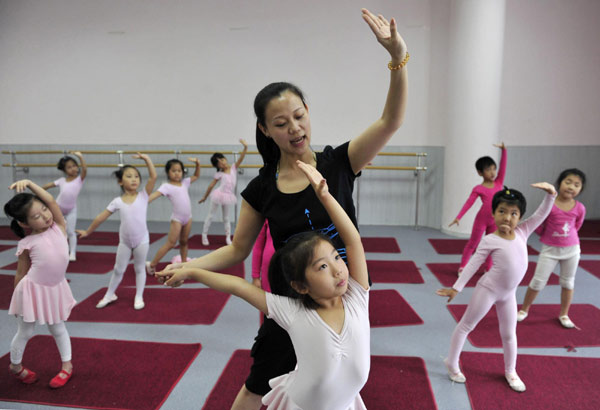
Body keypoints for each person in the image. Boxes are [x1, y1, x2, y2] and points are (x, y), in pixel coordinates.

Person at [159, 8, 407, 408]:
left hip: (345, 294)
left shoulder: (340, 163)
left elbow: (392, 120)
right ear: (265, 130)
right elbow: (238, 249)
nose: (293, 128)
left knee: (337, 384)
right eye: (280, 122)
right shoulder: (262, 187)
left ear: (308, 112)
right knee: (259, 383)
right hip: (294, 303)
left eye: (298, 115)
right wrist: (191, 267)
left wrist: (398, 58)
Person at [158, 161, 370, 409]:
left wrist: (325, 196)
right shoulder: (293, 312)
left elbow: (352, 240)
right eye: (322, 267)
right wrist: (192, 270)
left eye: (336, 257)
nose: (337, 269)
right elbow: (238, 286)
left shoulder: (357, 296)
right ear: (301, 286)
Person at [437, 183, 557, 392]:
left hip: (508, 295)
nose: (507, 217)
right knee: (466, 326)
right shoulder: (489, 240)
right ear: (493, 214)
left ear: (519, 217)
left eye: (513, 213)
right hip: (488, 291)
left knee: (509, 334)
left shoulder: (523, 231)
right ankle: (452, 362)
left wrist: (551, 195)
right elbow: (474, 263)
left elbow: (541, 214)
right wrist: (456, 288)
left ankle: (511, 371)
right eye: (501, 211)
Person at [4, 179, 77, 388]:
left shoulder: (59, 226)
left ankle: (67, 366)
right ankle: (16, 367)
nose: (45, 216)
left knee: (58, 328)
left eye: (44, 210)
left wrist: (30, 184)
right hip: (31, 291)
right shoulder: (26, 244)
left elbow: (51, 200)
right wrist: (17, 302)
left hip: (55, 289)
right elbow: (21, 273)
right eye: (37, 216)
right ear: (24, 224)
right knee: (25, 332)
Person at [77, 154, 156, 310]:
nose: (134, 179)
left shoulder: (143, 196)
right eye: (129, 176)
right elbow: (100, 217)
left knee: (139, 268)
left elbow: (153, 176)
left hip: (142, 240)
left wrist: (146, 159)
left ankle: (139, 296)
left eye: (136, 176)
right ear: (120, 181)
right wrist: (88, 231)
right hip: (125, 241)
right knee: (118, 269)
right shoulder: (117, 201)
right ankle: (109, 294)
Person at [517, 169, 587, 328]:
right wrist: (547, 235)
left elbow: (577, 225)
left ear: (580, 190)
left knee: (568, 283)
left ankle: (564, 314)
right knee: (537, 283)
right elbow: (538, 223)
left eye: (576, 185)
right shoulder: (550, 204)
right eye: (567, 182)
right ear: (559, 183)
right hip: (550, 250)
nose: (571, 187)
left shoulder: (580, 208)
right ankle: (524, 310)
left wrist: (567, 238)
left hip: (572, 250)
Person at [449, 143, 507, 275]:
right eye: (488, 169)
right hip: (482, 220)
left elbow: (503, 167)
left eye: (494, 168)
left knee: (490, 245)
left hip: (494, 221)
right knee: (473, 244)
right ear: (480, 172)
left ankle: (488, 268)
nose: (492, 172)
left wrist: (504, 151)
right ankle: (463, 266)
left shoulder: (499, 183)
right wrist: (458, 217)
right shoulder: (478, 189)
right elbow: (468, 203)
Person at [146, 158, 200, 273]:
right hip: (177, 219)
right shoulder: (166, 186)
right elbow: (154, 195)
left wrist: (197, 164)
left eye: (179, 171)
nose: (177, 173)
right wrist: (141, 202)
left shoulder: (185, 183)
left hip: (188, 218)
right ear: (168, 172)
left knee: (184, 242)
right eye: (173, 171)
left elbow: (196, 176)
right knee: (171, 244)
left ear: (183, 172)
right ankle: (152, 264)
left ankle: (184, 264)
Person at [198, 139, 248, 246]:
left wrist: (245, 147)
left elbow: (241, 158)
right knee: (211, 215)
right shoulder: (219, 174)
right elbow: (211, 185)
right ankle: (204, 235)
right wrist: (204, 197)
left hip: (228, 196)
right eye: (219, 163)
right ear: (217, 166)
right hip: (218, 194)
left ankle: (228, 237)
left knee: (226, 218)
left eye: (222, 160)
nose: (222, 163)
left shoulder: (234, 168)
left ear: (225, 159)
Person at [42, 151, 87, 261]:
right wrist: (37, 191)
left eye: (74, 166)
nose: (73, 169)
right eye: (69, 167)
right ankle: (55, 250)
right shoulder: (61, 180)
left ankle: (72, 253)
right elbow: (47, 186)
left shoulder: (79, 179)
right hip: (58, 208)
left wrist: (80, 156)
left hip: (71, 209)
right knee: (55, 230)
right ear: (64, 170)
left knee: (71, 232)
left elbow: (84, 169)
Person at [252, 220, 275, 292]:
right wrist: (255, 276)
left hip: (293, 274)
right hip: (268, 274)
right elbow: (258, 247)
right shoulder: (267, 216)